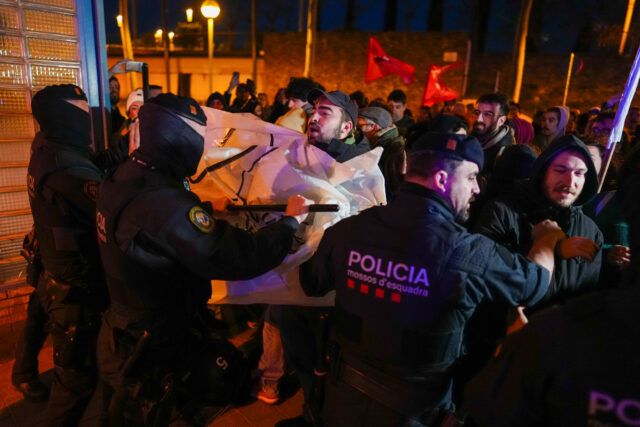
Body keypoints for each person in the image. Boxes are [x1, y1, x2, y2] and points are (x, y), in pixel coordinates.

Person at [299, 132, 565, 426]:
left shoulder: (349, 230)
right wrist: (546, 238)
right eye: (471, 177)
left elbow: (311, 283)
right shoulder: (467, 251)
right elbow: (533, 285)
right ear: (441, 180)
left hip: (342, 402)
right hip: (415, 414)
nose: (477, 188)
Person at [95, 93, 311, 425]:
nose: (201, 146)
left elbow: (154, 228)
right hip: (152, 346)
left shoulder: (123, 175)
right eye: (197, 136)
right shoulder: (165, 202)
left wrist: (206, 210)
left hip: (120, 332)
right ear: (173, 135)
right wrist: (289, 225)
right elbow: (232, 256)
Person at [463, 146, 640, 427]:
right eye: (561, 170)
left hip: (552, 369)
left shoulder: (590, 231)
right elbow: (482, 272)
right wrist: (548, 248)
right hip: (492, 352)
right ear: (542, 171)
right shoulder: (502, 211)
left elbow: (583, 295)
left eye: (580, 173)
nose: (570, 181)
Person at [275, 89, 370, 426]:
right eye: (314, 109)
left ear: (346, 128)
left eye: (326, 112)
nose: (313, 116)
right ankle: (311, 411)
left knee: (329, 366)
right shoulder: (297, 158)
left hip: (332, 296)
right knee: (301, 356)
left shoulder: (362, 169)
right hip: (293, 288)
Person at [27, 84, 109, 425]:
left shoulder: (46, 147)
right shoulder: (67, 169)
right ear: (63, 117)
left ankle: (22, 372)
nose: (87, 120)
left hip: (60, 276)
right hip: (76, 287)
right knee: (75, 385)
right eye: (79, 112)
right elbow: (110, 212)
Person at [357, 106, 405, 197]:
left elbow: (390, 184)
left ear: (374, 127)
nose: (356, 130)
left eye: (359, 126)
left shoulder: (392, 149)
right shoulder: (380, 144)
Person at [470, 93, 513, 177]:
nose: (479, 119)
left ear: (501, 121)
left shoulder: (505, 153)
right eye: (477, 113)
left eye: (487, 114)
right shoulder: (468, 138)